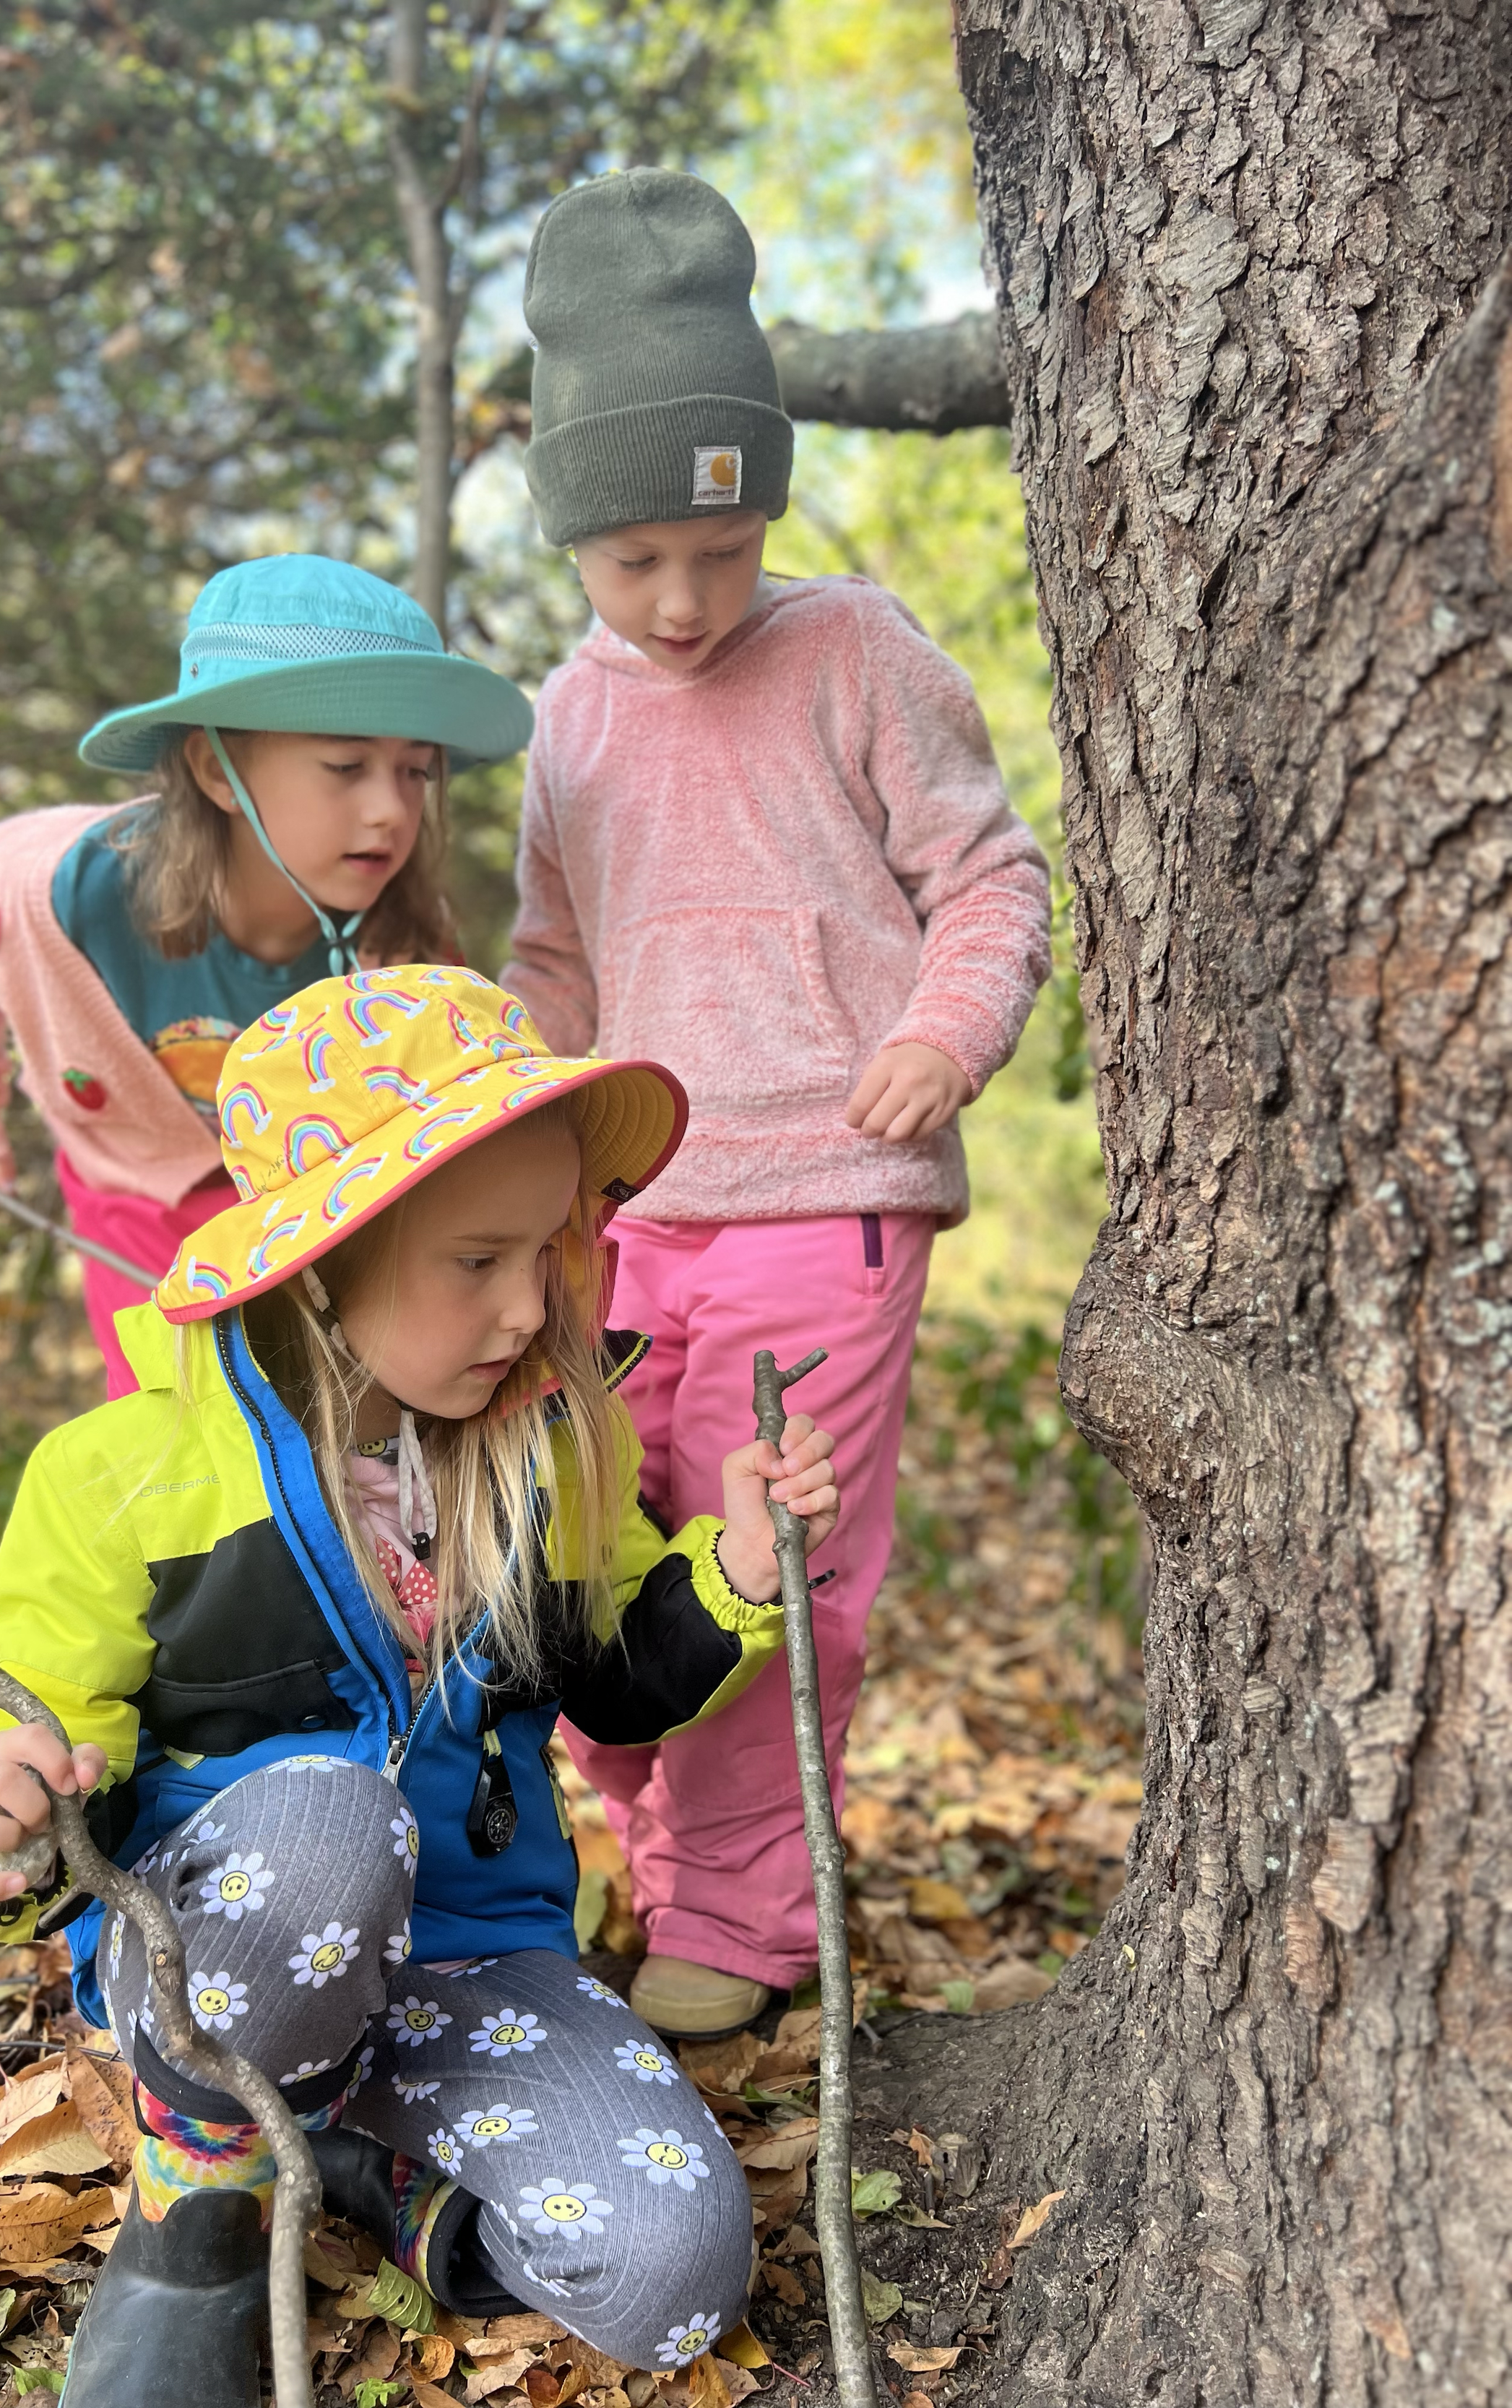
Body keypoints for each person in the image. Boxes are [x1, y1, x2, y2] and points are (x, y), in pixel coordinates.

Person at [0, 965, 842, 2408]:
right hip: (228, 1947)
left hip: (467, 1961)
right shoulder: (126, 1476)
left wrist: (735, 1581)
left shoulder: (548, 1454)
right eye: (475, 1258)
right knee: (337, 1825)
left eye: (545, 1249)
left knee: (671, 2271)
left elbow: (613, 1688)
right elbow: (26, 1716)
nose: (528, 1303)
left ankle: (374, 2170)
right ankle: (198, 2198)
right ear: (324, 1256)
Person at [504, 168, 1053, 2040]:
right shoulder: (561, 724)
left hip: (828, 1186)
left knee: (772, 1551)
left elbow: (988, 880)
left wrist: (938, 1035)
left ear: (767, 510)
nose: (678, 601)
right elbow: (549, 978)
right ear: (569, 534)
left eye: (715, 553)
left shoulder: (855, 652)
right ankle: (663, 1865)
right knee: (605, 1559)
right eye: (632, 558)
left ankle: (742, 1920)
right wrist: (508, 1146)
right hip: (626, 1219)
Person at [0, 554, 532, 1395]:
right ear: (213, 771)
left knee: (326, 1411)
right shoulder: (56, 889)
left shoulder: (403, 956)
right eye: (346, 766)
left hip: (308, 1208)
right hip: (135, 1185)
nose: (390, 808)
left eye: (415, 771)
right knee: (178, 1412)